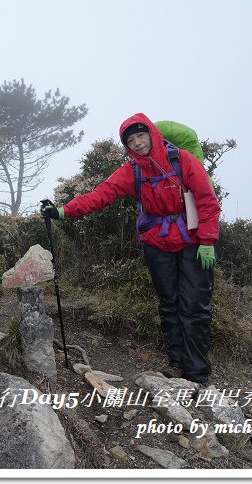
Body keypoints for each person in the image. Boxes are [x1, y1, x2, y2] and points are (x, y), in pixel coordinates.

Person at [40, 113, 220, 385]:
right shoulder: (133, 171)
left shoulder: (182, 160)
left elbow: (207, 201)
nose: (137, 143)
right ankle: (176, 364)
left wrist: (207, 241)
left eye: (140, 136)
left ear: (152, 134)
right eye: (130, 140)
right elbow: (101, 194)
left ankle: (197, 372)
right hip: (157, 244)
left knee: (194, 306)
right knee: (169, 305)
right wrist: (64, 211)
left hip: (192, 241)